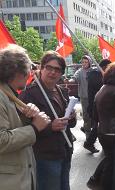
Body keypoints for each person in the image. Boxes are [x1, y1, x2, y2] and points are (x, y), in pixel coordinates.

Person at [19, 51, 77, 190]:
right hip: (45, 155)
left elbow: (69, 124)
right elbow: (23, 126)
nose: (52, 72)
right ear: (41, 68)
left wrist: (71, 117)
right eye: (49, 68)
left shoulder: (62, 91)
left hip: (64, 150)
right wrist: (51, 126)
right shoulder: (29, 94)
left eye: (57, 69)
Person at [0, 44, 50, 190]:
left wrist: (27, 117)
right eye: (29, 70)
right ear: (18, 72)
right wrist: (34, 128)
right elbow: (2, 140)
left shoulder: (8, 94)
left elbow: (11, 127)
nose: (30, 74)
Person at [87, 63, 115, 190]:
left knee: (110, 159)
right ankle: (100, 183)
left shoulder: (101, 90)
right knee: (112, 162)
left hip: (103, 131)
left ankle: (95, 180)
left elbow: (94, 115)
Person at [83, 59, 111, 153]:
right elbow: (100, 86)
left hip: (98, 105)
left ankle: (90, 143)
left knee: (97, 126)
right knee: (97, 126)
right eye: (108, 67)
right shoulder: (94, 75)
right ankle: (89, 143)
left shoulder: (99, 74)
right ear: (104, 67)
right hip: (95, 105)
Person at [69, 55, 91, 136]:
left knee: (93, 115)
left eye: (86, 62)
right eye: (83, 62)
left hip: (93, 97)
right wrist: (70, 80)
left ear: (89, 63)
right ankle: (88, 134)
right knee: (86, 115)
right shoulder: (80, 71)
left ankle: (85, 127)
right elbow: (74, 78)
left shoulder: (93, 70)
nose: (84, 64)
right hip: (84, 97)